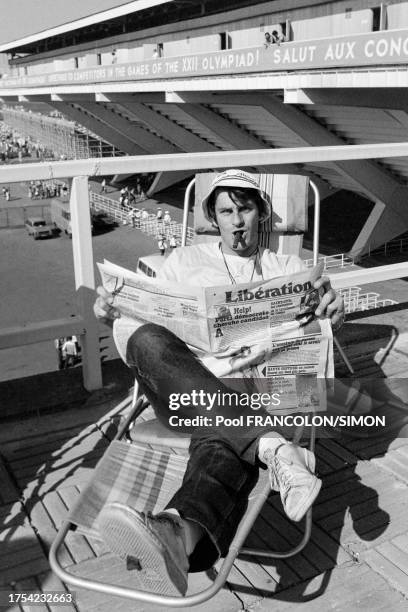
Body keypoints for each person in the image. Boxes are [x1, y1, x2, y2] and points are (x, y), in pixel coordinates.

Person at [94, 169, 345, 596]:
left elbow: (321, 324)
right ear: (214, 217)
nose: (237, 220)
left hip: (262, 388)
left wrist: (330, 309)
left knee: (221, 435)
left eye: (245, 208)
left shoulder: (288, 267)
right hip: (186, 386)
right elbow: (143, 314)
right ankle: (276, 448)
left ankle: (180, 534)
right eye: (226, 210)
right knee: (141, 336)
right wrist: (112, 306)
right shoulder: (181, 262)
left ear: (261, 213)